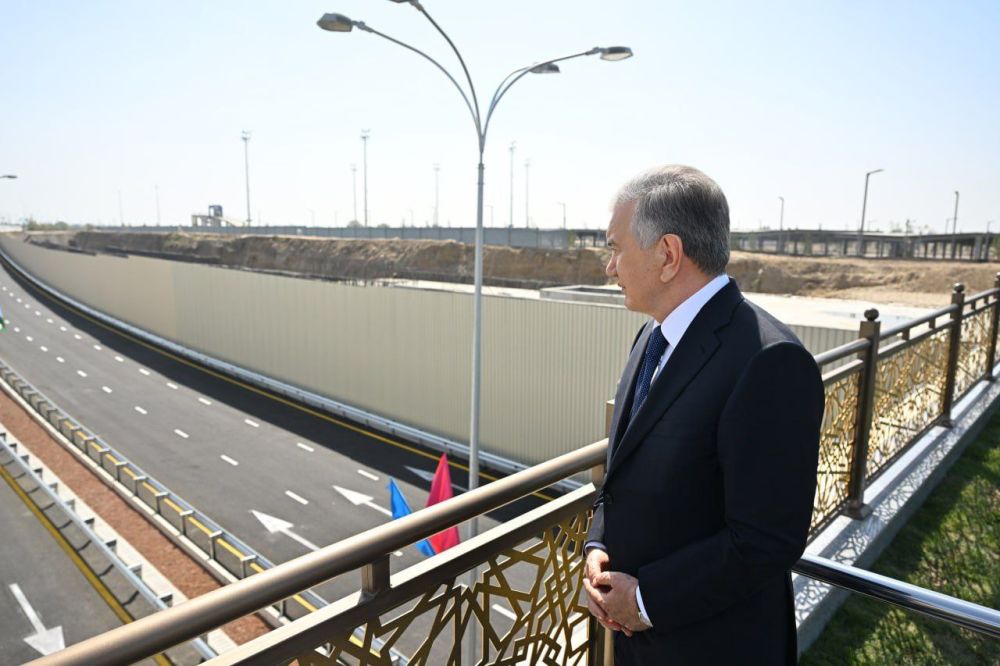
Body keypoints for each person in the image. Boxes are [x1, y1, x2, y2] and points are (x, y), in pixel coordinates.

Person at [583, 165, 824, 664]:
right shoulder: (653, 335)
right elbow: (624, 471)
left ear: (668, 255)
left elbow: (765, 539)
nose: (609, 267)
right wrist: (598, 544)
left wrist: (646, 601)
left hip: (713, 648)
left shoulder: (770, 361)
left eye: (614, 248)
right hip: (639, 644)